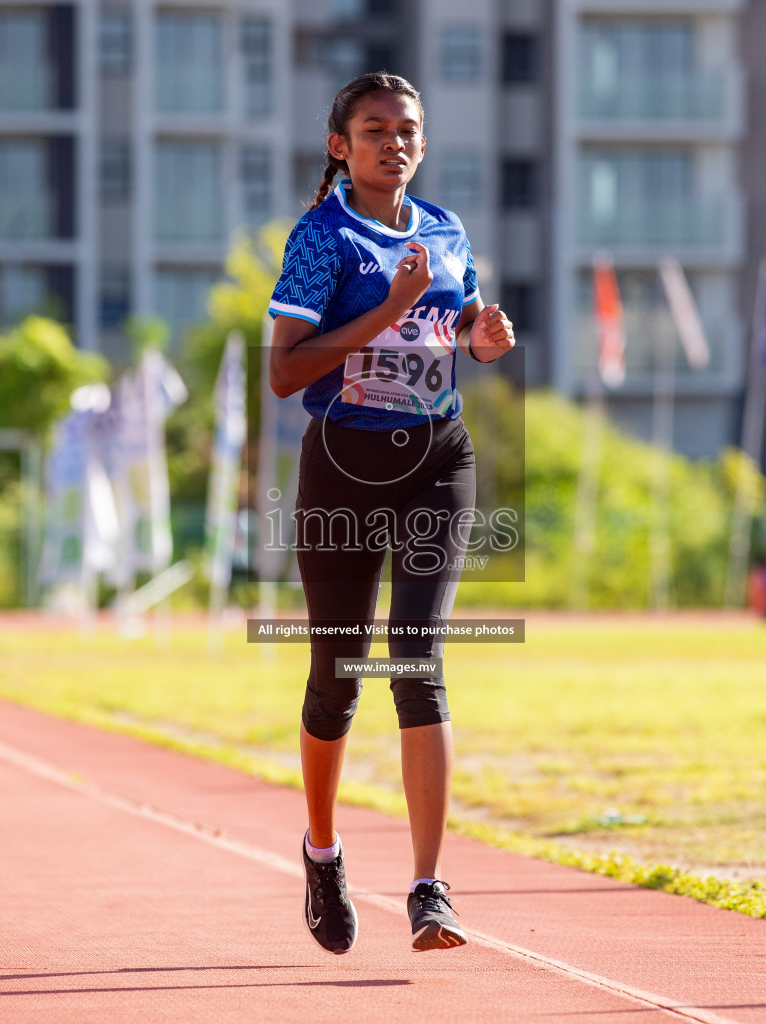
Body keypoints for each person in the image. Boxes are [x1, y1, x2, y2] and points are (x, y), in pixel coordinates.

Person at [267, 72, 516, 955]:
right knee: (337, 678)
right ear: (342, 145)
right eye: (375, 130)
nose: (395, 143)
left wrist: (478, 336)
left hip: (437, 462)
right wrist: (391, 308)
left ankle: (428, 887)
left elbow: (454, 332)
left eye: (408, 129)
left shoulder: (447, 232)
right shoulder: (320, 238)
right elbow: (286, 372)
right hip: (340, 469)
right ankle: (324, 850)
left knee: (418, 660)